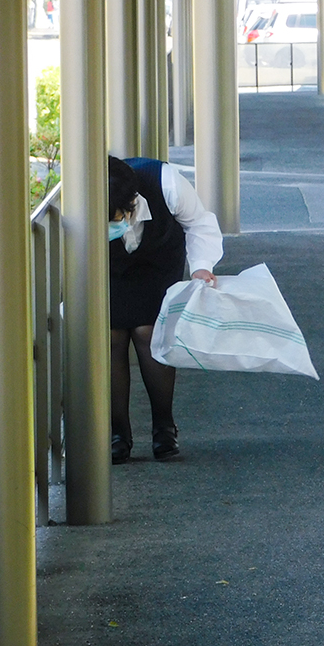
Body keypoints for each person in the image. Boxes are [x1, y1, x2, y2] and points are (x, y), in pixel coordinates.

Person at [108, 155, 223, 463]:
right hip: (109, 266)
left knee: (149, 331)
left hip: (158, 259)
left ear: (133, 201)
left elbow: (200, 222)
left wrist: (201, 266)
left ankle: (163, 427)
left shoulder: (166, 181)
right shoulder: (83, 192)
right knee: (112, 337)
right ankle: (117, 433)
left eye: (117, 217)